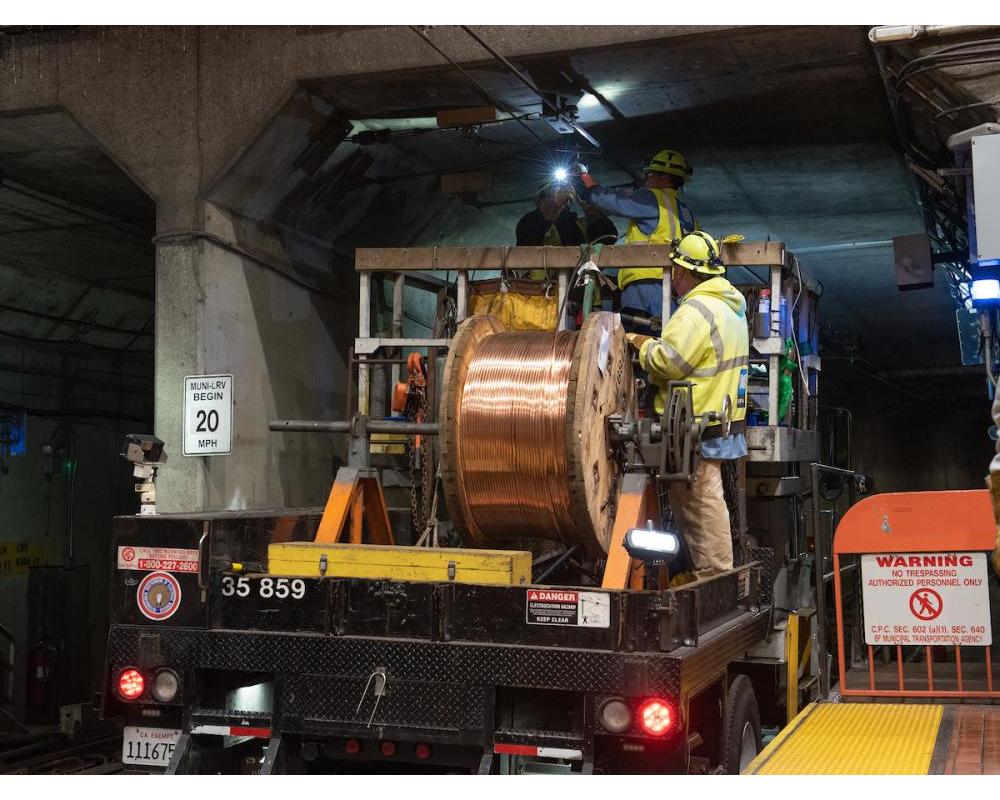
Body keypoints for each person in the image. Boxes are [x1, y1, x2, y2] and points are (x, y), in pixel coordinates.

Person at [625, 232, 749, 578]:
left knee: (702, 507)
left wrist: (642, 346)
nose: (675, 280)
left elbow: (670, 362)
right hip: (716, 422)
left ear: (683, 272)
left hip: (693, 429)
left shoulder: (696, 310)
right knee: (701, 506)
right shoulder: (730, 306)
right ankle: (711, 575)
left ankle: (716, 579)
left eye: (676, 271)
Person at [576, 149, 698, 326]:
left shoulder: (653, 199)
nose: (646, 178)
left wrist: (585, 181)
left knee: (638, 337)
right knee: (667, 336)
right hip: (674, 288)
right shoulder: (686, 213)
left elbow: (613, 201)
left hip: (645, 287)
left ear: (664, 177)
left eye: (650, 174)